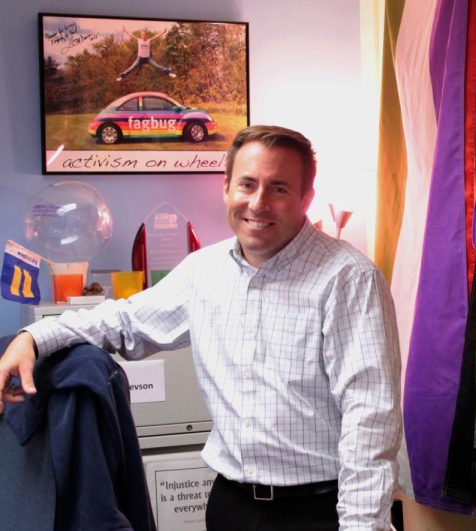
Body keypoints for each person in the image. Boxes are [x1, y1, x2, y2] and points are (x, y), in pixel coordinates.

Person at [0, 125, 403, 531]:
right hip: (230, 506)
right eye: (247, 184)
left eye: (279, 188)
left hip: (318, 511)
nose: (258, 203)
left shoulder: (349, 279)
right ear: (226, 188)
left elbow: (370, 422)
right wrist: (32, 337)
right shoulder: (203, 271)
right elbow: (122, 321)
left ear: (306, 198)